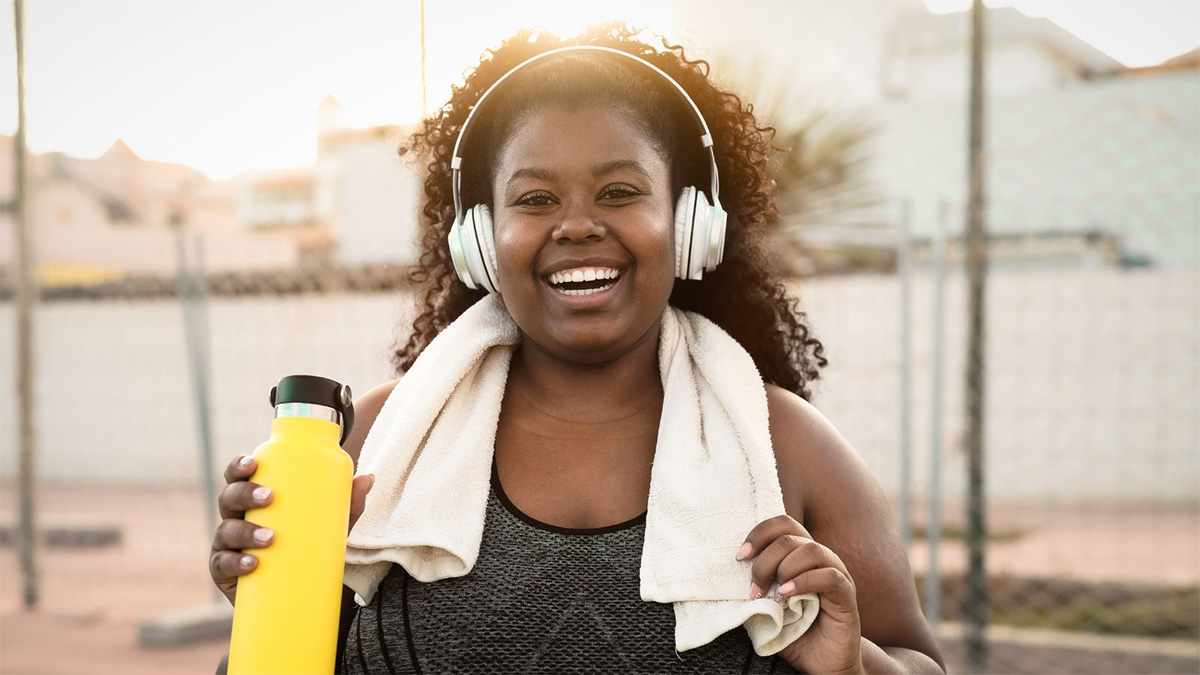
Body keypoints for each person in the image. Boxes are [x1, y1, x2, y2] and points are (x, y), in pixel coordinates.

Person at [211, 24, 944, 674]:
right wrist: (265, 602)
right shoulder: (375, 444)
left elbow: (918, 662)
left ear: (691, 224)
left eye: (620, 191)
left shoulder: (790, 448)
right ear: (478, 241)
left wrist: (857, 665)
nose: (577, 225)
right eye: (534, 200)